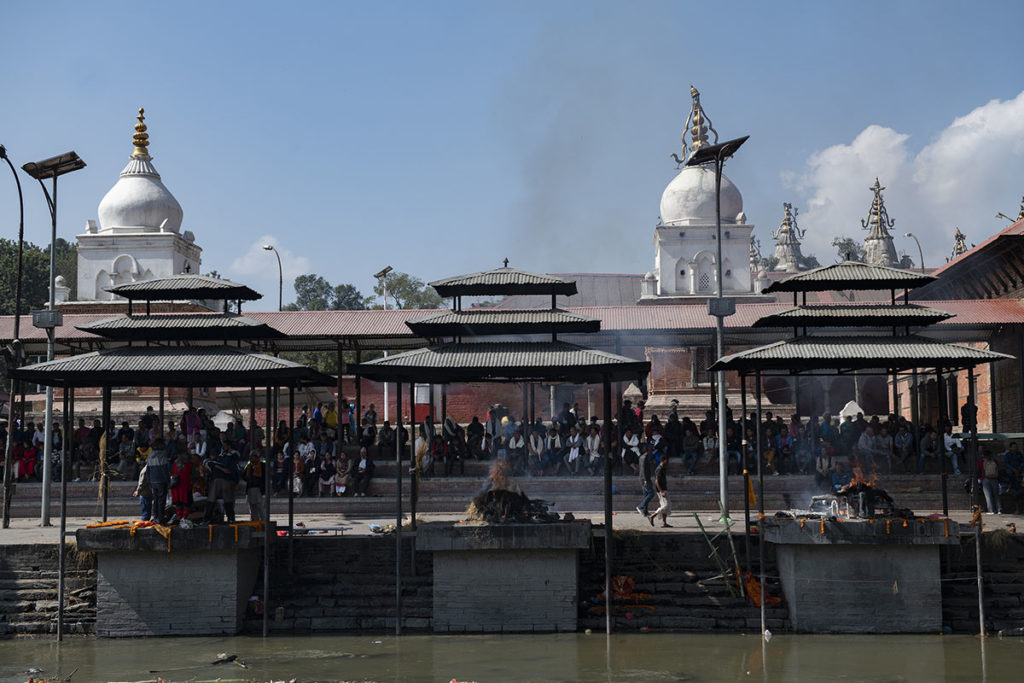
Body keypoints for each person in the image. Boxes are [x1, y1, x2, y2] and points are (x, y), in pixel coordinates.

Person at [146, 438, 171, 523]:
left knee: (155, 499)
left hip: (153, 480)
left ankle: (155, 516)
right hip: (161, 480)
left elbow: (148, 469)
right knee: (161, 500)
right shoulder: (162, 454)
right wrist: (168, 481)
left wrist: (149, 480)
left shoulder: (150, 455)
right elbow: (164, 469)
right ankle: (160, 517)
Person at [169, 449, 193, 524]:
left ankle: (180, 517)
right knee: (186, 502)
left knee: (178, 502)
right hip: (186, 486)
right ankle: (184, 517)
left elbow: (171, 474)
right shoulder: (190, 465)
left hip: (176, 487)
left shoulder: (174, 464)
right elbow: (193, 476)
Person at [647, 458, 671, 527]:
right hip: (661, 490)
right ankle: (652, 516)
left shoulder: (663, 468)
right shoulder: (659, 469)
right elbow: (656, 481)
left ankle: (664, 522)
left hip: (664, 489)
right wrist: (661, 491)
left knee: (666, 506)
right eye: (666, 460)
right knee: (666, 505)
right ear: (663, 460)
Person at [243, 451, 265, 520]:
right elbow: (243, 475)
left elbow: (264, 478)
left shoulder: (262, 465)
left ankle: (264, 522)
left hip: (258, 488)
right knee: (252, 507)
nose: (251, 458)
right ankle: (255, 522)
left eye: (253, 456)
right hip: (250, 487)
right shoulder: (249, 465)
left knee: (260, 506)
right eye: (250, 456)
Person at [979, 449, 1002, 514]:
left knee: (988, 495)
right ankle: (999, 509)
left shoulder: (981, 461)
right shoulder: (994, 461)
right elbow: (997, 467)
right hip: (994, 478)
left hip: (985, 478)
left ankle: (991, 510)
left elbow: (980, 468)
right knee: (996, 494)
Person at [637, 442, 655, 516]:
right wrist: (645, 480)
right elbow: (643, 469)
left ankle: (645, 511)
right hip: (645, 478)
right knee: (651, 493)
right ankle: (640, 506)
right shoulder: (644, 458)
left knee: (646, 494)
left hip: (643, 478)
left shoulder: (642, 457)